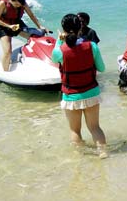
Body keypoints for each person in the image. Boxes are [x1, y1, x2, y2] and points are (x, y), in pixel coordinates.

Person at [51, 14, 108, 159]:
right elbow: (101, 68)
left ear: (64, 30)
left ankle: (79, 159)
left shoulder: (60, 51)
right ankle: (103, 152)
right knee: (95, 127)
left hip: (71, 96)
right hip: (91, 92)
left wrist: (59, 39)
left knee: (75, 130)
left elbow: (53, 57)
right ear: (80, 27)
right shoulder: (92, 46)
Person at [0, 0, 47, 71]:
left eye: (20, 5)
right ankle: (5, 72)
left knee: (37, 36)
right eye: (16, 4)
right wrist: (9, 26)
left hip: (17, 24)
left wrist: (40, 26)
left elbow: (31, 15)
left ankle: (36, 59)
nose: (18, 6)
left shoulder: (23, 4)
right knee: (8, 52)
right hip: (4, 27)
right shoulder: (3, 3)